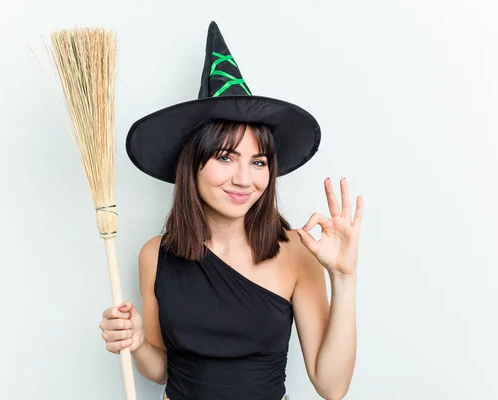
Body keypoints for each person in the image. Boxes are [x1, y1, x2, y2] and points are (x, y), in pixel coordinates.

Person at [99, 22, 363, 400]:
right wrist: (138, 341)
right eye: (226, 157)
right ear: (193, 164)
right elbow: (161, 372)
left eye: (258, 162)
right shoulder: (154, 255)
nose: (245, 179)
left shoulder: (296, 251)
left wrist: (343, 277)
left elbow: (331, 386)